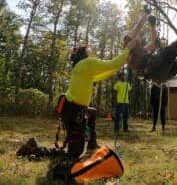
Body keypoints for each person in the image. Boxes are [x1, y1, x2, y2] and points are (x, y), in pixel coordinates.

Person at [16, 10, 150, 159]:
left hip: (72, 108)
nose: (91, 48)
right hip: (73, 112)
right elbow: (112, 64)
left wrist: (123, 60)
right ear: (85, 53)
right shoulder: (88, 63)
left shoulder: (84, 67)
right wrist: (127, 50)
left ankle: (92, 143)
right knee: (74, 155)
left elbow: (106, 72)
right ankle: (35, 148)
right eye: (89, 48)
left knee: (91, 112)